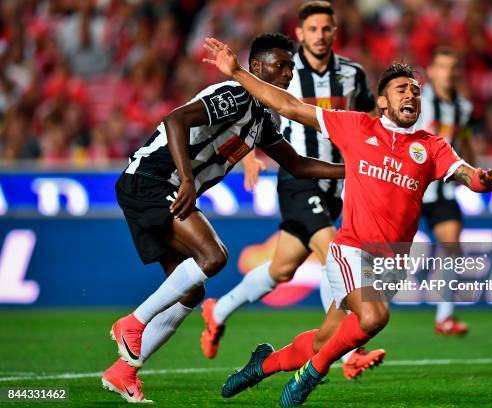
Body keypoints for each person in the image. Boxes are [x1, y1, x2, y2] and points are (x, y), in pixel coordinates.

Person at [202, 37, 492, 406]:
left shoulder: (433, 146)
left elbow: (465, 175)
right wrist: (235, 71)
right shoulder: (357, 127)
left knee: (325, 338)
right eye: (400, 89)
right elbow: (289, 105)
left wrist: (481, 180)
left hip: (391, 261)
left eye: (414, 90)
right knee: (375, 316)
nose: (410, 95)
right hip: (351, 249)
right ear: (382, 101)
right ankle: (310, 375)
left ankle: (262, 364)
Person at [101, 33, 345, 404]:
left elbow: (297, 164)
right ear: (257, 67)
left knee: (191, 289)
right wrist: (185, 178)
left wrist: (354, 169)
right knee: (213, 257)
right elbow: (175, 119)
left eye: (291, 68)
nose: (287, 75)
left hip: (157, 185)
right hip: (151, 180)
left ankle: (123, 372)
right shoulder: (237, 95)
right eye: (280, 66)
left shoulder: (261, 119)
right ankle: (131, 324)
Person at [200, 1, 384, 380]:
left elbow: (366, 123)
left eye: (326, 29)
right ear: (300, 33)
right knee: (333, 250)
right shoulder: (283, 71)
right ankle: (350, 352)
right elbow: (250, 103)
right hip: (297, 176)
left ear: (335, 32)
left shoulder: (353, 74)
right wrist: (248, 153)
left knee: (282, 269)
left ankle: (217, 312)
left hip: (336, 183)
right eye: (312, 29)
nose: (320, 36)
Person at [414, 48, 475, 335]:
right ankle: (356, 314)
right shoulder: (416, 102)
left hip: (443, 190)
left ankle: (445, 317)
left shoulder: (462, 107)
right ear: (432, 71)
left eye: (453, 67)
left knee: (452, 245)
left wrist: (473, 173)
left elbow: (463, 139)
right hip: (410, 188)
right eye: (442, 67)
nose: (448, 73)